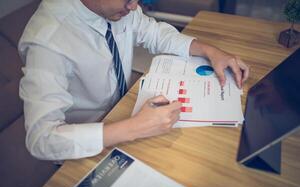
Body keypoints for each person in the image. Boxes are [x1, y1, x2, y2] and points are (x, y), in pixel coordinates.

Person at [19, 0, 249, 161]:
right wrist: (136, 127)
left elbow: (156, 34)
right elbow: (42, 139)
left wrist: (210, 51)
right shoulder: (47, 42)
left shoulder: (120, 9)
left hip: (125, 109)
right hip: (88, 140)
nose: (134, 7)